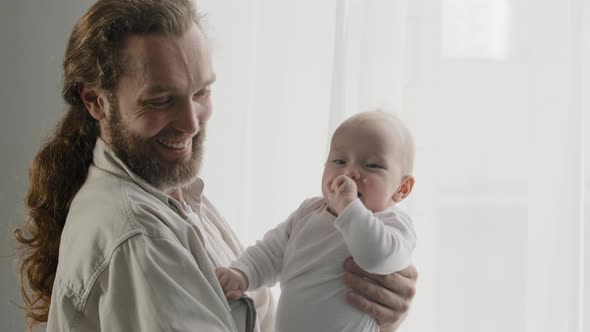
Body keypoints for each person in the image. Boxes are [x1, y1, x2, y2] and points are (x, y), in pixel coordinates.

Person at [13, 1, 418, 331]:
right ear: (95, 101)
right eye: (161, 100)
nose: (192, 123)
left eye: (202, 91)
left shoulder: (173, 191)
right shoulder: (140, 239)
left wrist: (365, 314)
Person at [216, 111, 416, 332]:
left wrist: (350, 208)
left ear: (402, 188)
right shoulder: (308, 213)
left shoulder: (394, 224)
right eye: (339, 161)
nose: (349, 172)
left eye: (371, 165)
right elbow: (270, 252)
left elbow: (375, 257)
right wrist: (242, 273)